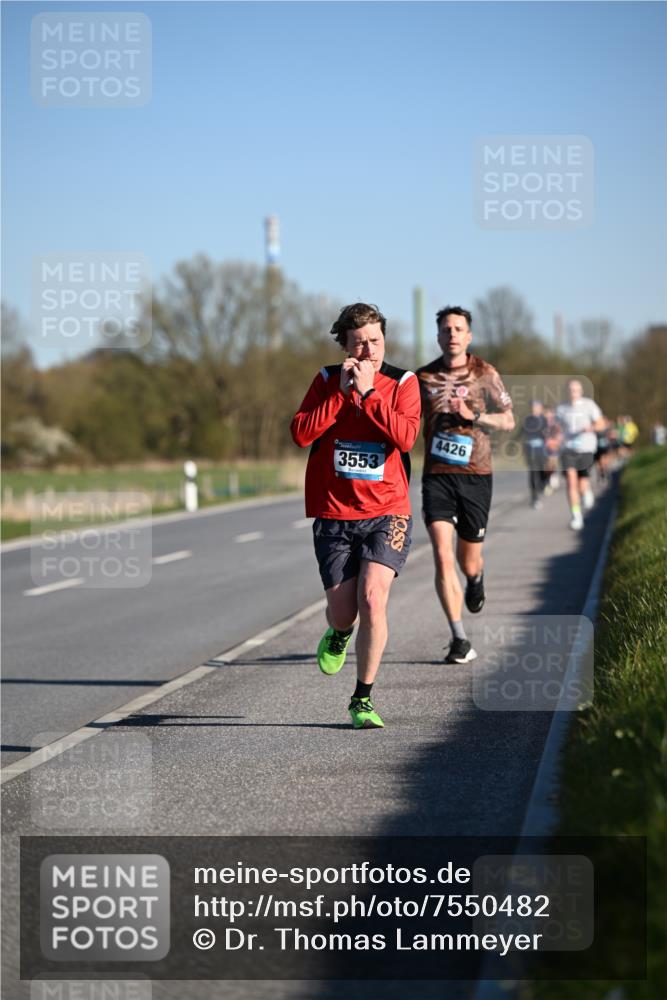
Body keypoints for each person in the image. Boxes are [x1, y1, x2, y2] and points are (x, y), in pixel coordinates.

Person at [290, 302, 421, 729]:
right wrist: (340, 396)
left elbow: (406, 437)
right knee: (345, 612)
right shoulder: (326, 380)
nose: (369, 351)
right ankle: (340, 632)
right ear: (346, 346)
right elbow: (301, 433)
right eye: (360, 343)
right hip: (335, 513)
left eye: (376, 341)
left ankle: (362, 698)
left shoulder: (403, 382)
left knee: (373, 599)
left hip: (388, 511)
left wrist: (368, 395)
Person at [417, 306, 515, 664]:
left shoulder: (485, 372)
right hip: (437, 475)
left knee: (467, 560)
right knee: (442, 555)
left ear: (469, 336)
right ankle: (459, 638)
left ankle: (475, 578)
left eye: (458, 329)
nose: (452, 334)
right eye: (446, 329)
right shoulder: (423, 377)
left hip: (476, 474)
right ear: (438, 336)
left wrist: (475, 415)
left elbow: (508, 419)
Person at [556, 379, 604, 531]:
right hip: (568, 449)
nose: (573, 392)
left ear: (581, 391)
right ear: (567, 391)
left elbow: (601, 424)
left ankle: (586, 491)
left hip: (586, 448)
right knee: (571, 482)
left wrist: (591, 428)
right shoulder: (561, 409)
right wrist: (555, 437)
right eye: (571, 390)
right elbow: (556, 429)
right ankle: (576, 516)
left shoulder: (589, 405)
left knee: (582, 485)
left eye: (576, 390)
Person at [522, 400, 549, 508]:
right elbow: (523, 432)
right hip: (530, 450)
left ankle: (544, 483)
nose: (534, 409)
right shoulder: (527, 420)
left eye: (537, 407)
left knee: (542, 471)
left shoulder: (544, 420)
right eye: (533, 407)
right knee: (533, 473)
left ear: (541, 409)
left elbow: (548, 433)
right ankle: (534, 497)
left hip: (541, 450)